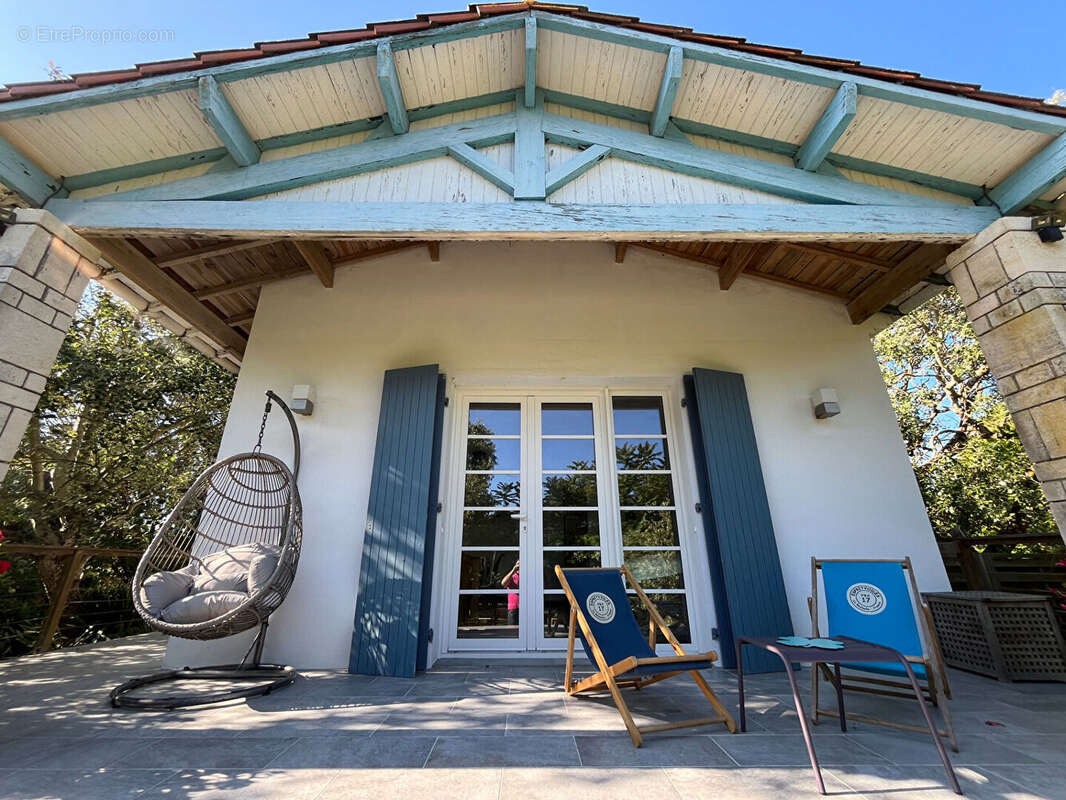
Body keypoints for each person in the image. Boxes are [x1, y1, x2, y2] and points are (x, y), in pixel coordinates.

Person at [501, 559, 519, 627]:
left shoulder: (528, 577)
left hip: (526, 607)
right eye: (518, 564)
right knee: (512, 631)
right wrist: (513, 570)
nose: (519, 566)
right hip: (513, 608)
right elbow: (503, 583)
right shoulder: (512, 576)